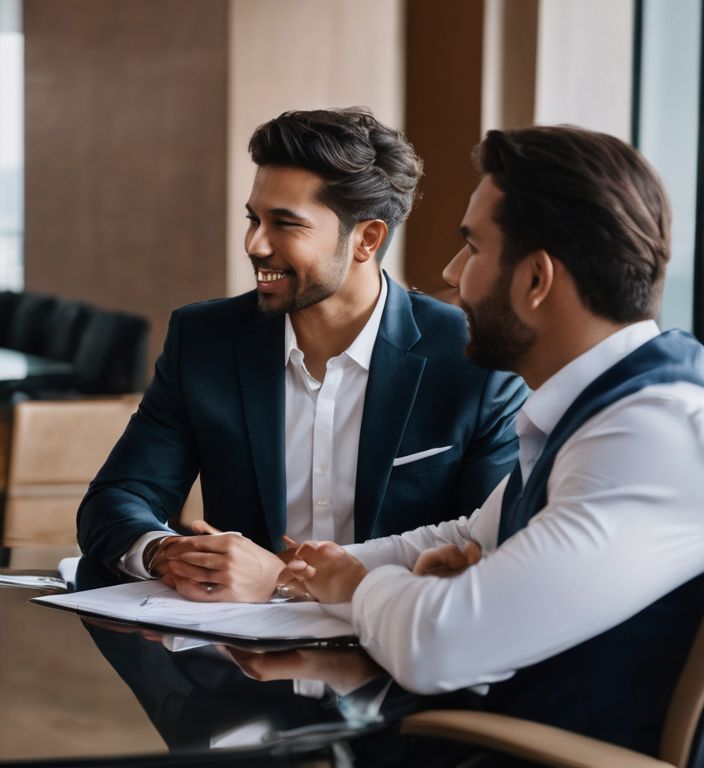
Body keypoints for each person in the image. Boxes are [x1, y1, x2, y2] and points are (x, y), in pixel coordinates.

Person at [282, 125, 704, 753]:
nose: (452, 273)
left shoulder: (650, 436)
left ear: (537, 280)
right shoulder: (597, 411)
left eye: (473, 248)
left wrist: (352, 586)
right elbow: (465, 537)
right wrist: (311, 567)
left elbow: (436, 645)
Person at [77, 108, 526, 601]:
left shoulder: (472, 359)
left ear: (367, 239)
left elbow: (490, 550)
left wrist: (297, 582)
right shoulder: (205, 340)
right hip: (234, 651)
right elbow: (117, 499)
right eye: (254, 219)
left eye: (285, 225)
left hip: (395, 645)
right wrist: (166, 552)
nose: (255, 244)